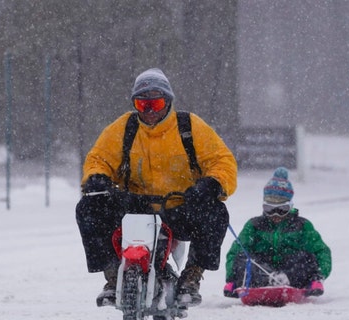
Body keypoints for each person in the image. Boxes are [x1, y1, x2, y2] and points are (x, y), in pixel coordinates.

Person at [75, 68, 237, 308]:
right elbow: (99, 158)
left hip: (180, 207)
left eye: (156, 103)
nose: (150, 111)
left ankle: (192, 276)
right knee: (88, 207)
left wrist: (210, 184)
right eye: (142, 105)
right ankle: (112, 277)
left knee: (215, 212)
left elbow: (221, 161)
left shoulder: (189, 126)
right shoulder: (125, 128)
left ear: (168, 102)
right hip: (134, 207)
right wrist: (97, 177)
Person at [223, 167, 331, 298]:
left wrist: (320, 275)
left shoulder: (302, 225)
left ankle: (291, 280)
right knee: (243, 257)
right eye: (269, 209)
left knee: (306, 257)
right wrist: (231, 277)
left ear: (290, 206)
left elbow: (321, 251)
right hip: (261, 273)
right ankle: (267, 280)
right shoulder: (254, 225)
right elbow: (235, 251)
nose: (275, 215)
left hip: (293, 274)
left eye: (282, 209)